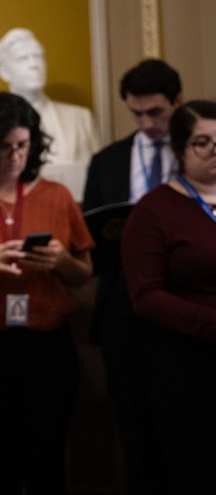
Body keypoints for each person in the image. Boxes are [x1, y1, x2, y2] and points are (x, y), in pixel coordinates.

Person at [0, 92, 94, 494]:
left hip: (48, 347)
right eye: (5, 146)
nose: (15, 156)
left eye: (23, 146)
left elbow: (84, 275)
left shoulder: (57, 196)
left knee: (48, 463)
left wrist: (61, 261)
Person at [82, 58, 182, 494]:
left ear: (177, 102)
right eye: (136, 114)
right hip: (122, 303)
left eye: (156, 112)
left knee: (184, 426)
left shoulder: (199, 149)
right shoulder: (108, 161)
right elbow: (90, 236)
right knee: (133, 427)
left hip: (186, 300)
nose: (147, 123)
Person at [121, 100, 216, 494]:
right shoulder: (154, 210)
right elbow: (146, 296)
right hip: (185, 364)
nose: (214, 151)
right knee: (198, 472)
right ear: (179, 149)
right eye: (202, 143)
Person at [0, 27, 99, 199]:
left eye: (38, 56)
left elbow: (97, 179)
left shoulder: (80, 118)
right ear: (4, 71)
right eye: (23, 58)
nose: (34, 64)